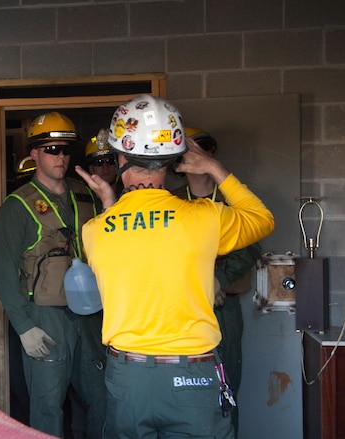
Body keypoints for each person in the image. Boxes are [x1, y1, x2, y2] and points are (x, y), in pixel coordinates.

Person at [76, 94, 274, 439]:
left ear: (120, 158)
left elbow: (125, 247)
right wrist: (215, 168)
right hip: (193, 377)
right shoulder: (204, 218)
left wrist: (109, 205)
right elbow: (262, 220)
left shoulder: (95, 231)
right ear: (172, 160)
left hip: (129, 377)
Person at [0, 111, 108, 438]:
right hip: (46, 318)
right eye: (52, 149)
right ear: (34, 154)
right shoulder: (18, 206)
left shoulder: (85, 195)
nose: (61, 156)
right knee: (47, 405)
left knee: (99, 399)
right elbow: (2, 270)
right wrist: (24, 327)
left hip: (90, 313)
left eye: (66, 150)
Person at [170, 127, 262, 436]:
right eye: (190, 152)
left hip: (224, 309)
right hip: (184, 312)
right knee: (184, 391)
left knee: (226, 389)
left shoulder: (232, 201)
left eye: (204, 150)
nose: (198, 157)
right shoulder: (172, 205)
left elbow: (251, 246)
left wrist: (218, 280)